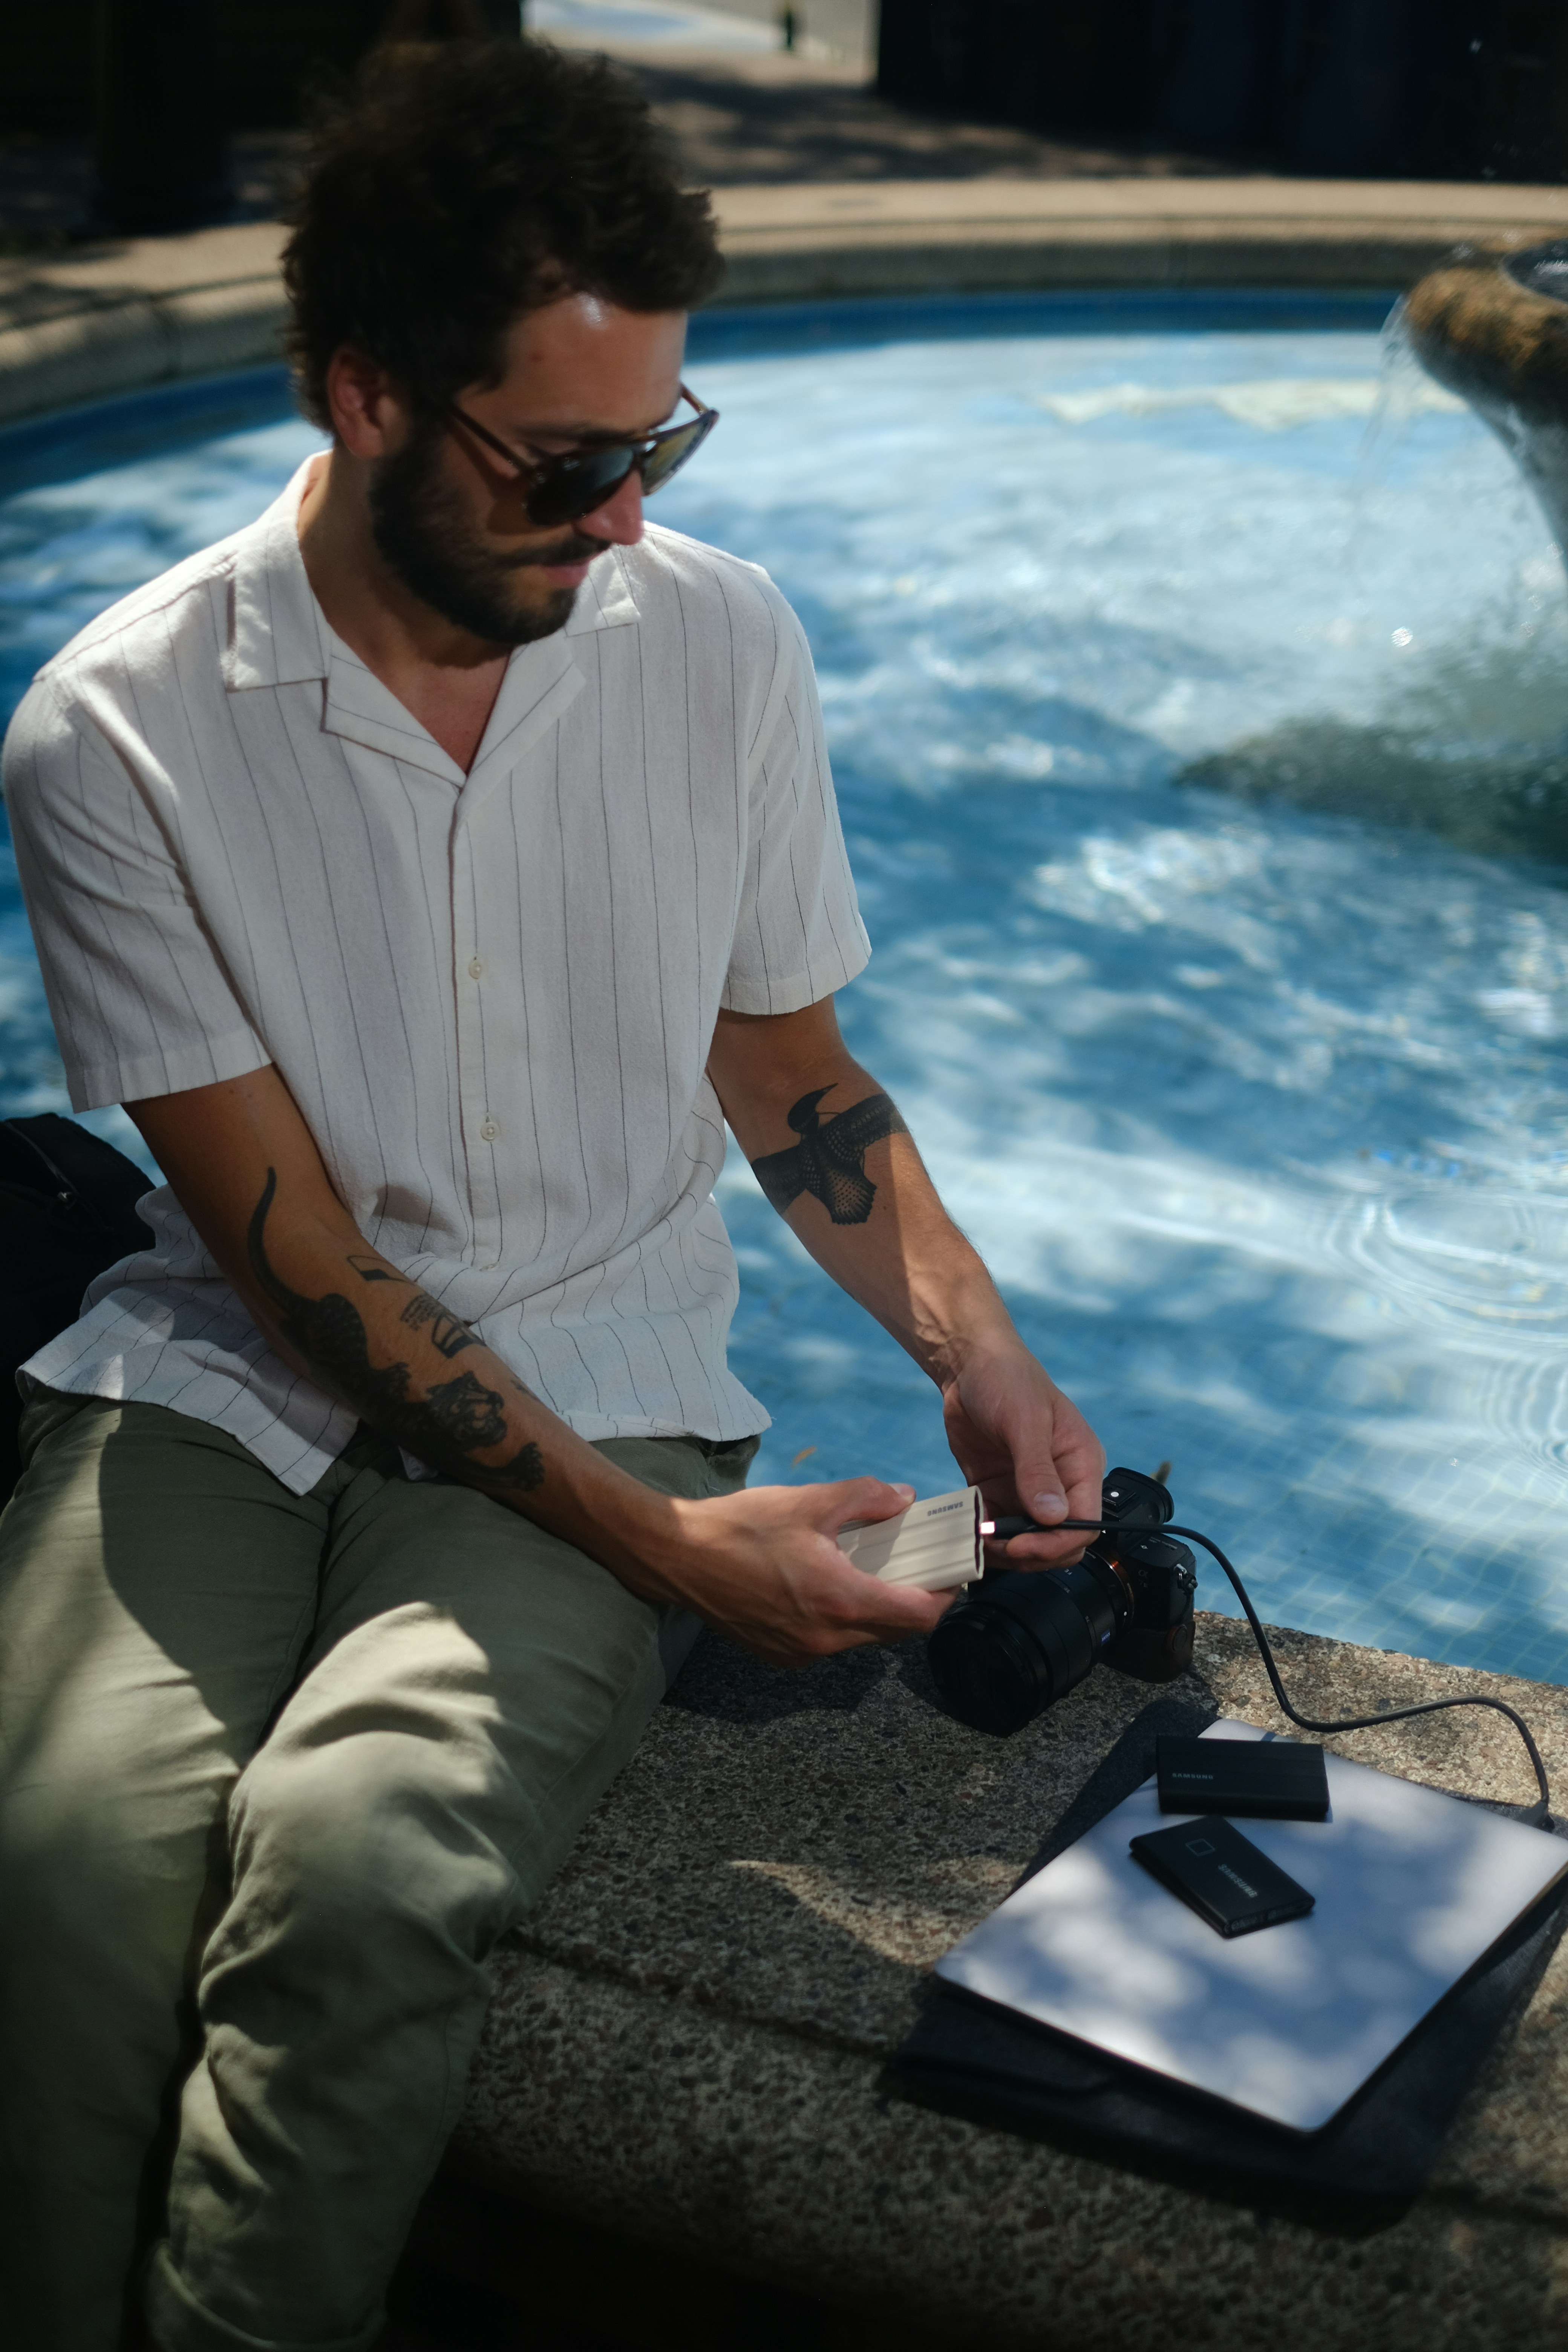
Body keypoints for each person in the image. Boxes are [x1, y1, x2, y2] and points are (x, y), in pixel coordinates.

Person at [0, 36, 1103, 2352]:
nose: (623, 521)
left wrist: (976, 1351)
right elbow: (298, 1267)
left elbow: (788, 1070)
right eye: (570, 462)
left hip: (604, 1338)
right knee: (61, 1868)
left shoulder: (717, 646)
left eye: (657, 450)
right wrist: (669, 1554)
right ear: (361, 393)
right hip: (227, 1364)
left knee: (369, 1864)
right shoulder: (113, 734)